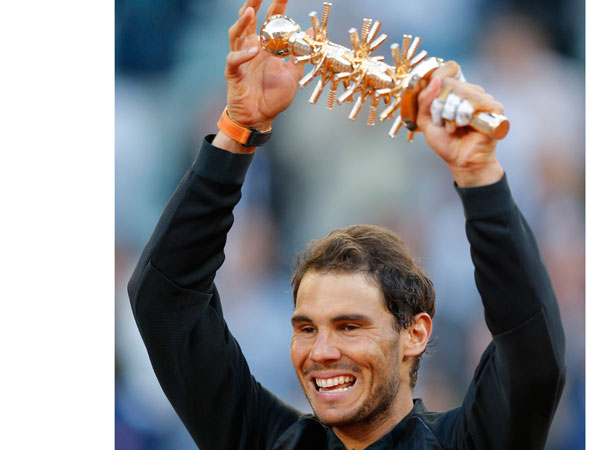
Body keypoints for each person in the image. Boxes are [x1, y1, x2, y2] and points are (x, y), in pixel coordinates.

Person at [127, 0, 566, 448]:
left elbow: (532, 351)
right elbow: (165, 300)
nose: (321, 353)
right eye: (306, 328)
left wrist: (480, 179)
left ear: (414, 333)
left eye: (350, 326)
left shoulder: (469, 442)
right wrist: (238, 130)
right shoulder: (267, 440)